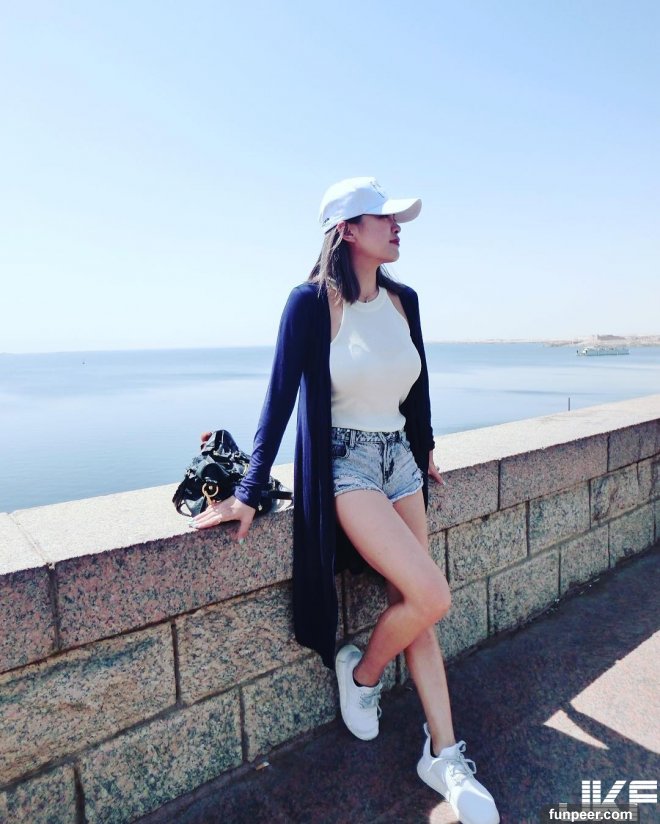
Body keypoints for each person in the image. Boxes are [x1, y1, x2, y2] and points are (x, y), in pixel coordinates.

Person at [192, 177, 500, 824]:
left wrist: (426, 449)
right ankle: (362, 677)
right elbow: (279, 398)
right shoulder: (310, 304)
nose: (397, 226)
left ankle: (440, 751)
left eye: (396, 218)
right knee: (432, 595)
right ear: (347, 231)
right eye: (383, 218)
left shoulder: (404, 301)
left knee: (415, 604)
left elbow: (417, 385)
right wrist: (248, 490)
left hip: (400, 461)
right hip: (345, 463)